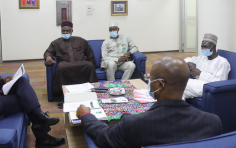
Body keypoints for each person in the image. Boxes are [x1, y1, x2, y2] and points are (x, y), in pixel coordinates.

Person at [76, 57, 222, 148]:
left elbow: (103, 136)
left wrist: (86, 115)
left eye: (150, 78)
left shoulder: (134, 124)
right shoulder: (213, 122)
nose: (148, 82)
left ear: (159, 85)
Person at [44, 21, 98, 100]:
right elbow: (48, 52)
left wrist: (93, 64)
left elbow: (90, 52)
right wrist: (48, 57)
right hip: (65, 63)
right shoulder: (55, 42)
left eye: (67, 31)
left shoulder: (81, 40)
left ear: (72, 31)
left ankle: (90, 91)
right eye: (63, 31)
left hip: (81, 62)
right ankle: (63, 95)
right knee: (61, 68)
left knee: (89, 65)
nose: (65, 32)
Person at [183, 33, 231, 100]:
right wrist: (190, 64)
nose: (203, 49)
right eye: (202, 47)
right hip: (196, 83)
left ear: (213, 47)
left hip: (207, 87)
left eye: (206, 47)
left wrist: (200, 74)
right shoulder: (202, 58)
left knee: (180, 86)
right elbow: (187, 59)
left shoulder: (222, 62)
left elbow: (221, 83)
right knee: (177, 87)